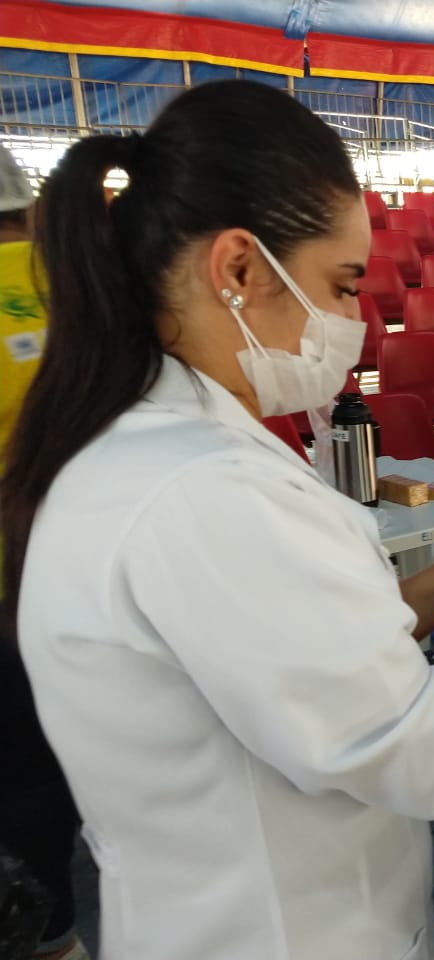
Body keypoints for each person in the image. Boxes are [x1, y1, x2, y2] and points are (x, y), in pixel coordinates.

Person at [0, 80, 434, 960]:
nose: (353, 320)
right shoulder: (198, 487)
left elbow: (312, 655)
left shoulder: (165, 443)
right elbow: (430, 747)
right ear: (239, 269)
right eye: (341, 283)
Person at [0, 147, 90, 960]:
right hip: (73, 562)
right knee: (43, 759)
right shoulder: (73, 288)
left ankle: (45, 926)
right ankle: (57, 928)